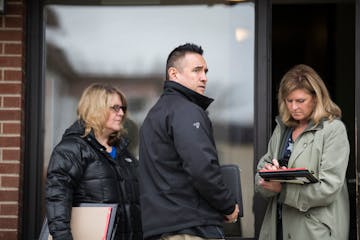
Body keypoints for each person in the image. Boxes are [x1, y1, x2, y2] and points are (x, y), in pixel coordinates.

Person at [138, 43, 239, 240]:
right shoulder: (186, 110)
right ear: (174, 74)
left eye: (206, 71)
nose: (204, 77)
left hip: (163, 229)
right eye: (197, 70)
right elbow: (202, 168)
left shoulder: (154, 115)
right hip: (191, 229)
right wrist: (227, 205)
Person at [255, 64, 350, 240]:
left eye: (300, 101)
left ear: (316, 98)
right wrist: (267, 176)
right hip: (278, 227)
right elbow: (260, 172)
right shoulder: (283, 129)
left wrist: (282, 190)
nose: (293, 107)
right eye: (288, 101)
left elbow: (329, 188)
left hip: (313, 231)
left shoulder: (333, 130)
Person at [45, 83, 142, 240]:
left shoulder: (124, 153)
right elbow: (57, 201)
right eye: (115, 108)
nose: (122, 113)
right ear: (96, 109)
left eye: (122, 108)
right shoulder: (72, 149)